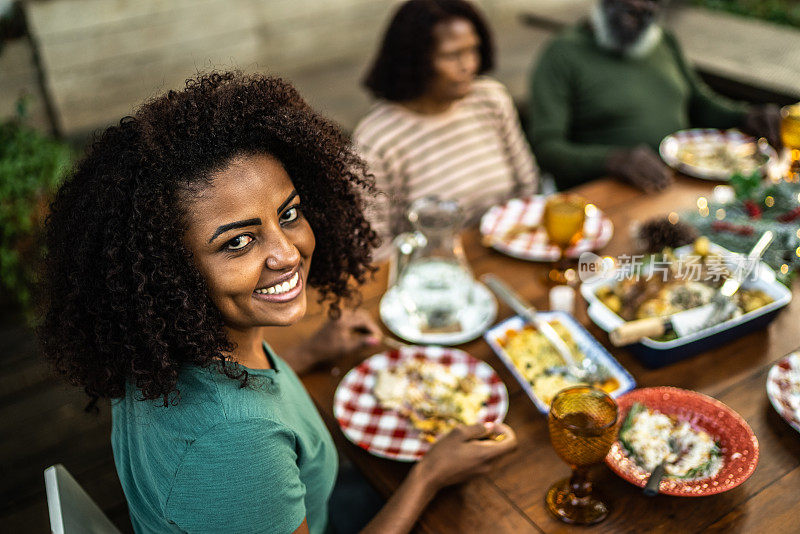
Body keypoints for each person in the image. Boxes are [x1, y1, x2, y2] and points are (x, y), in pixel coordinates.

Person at [38, 72, 517, 534]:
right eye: (237, 243)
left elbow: (228, 398)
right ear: (165, 271)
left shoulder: (160, 350)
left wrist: (307, 354)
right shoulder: (235, 445)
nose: (287, 253)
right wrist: (429, 475)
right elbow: (232, 438)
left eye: (288, 214)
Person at [528, 0, 782, 192]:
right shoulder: (562, 54)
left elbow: (701, 104)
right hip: (609, 194)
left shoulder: (663, 42)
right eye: (628, 9)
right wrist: (613, 160)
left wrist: (746, 115)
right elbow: (547, 148)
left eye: (648, 11)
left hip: (678, 184)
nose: (639, 14)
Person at [354, 0, 538, 257]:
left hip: (507, 251)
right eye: (452, 55)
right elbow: (374, 248)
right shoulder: (378, 140)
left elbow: (527, 185)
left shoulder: (490, 100)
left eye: (473, 50)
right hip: (433, 272)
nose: (469, 65)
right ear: (413, 61)